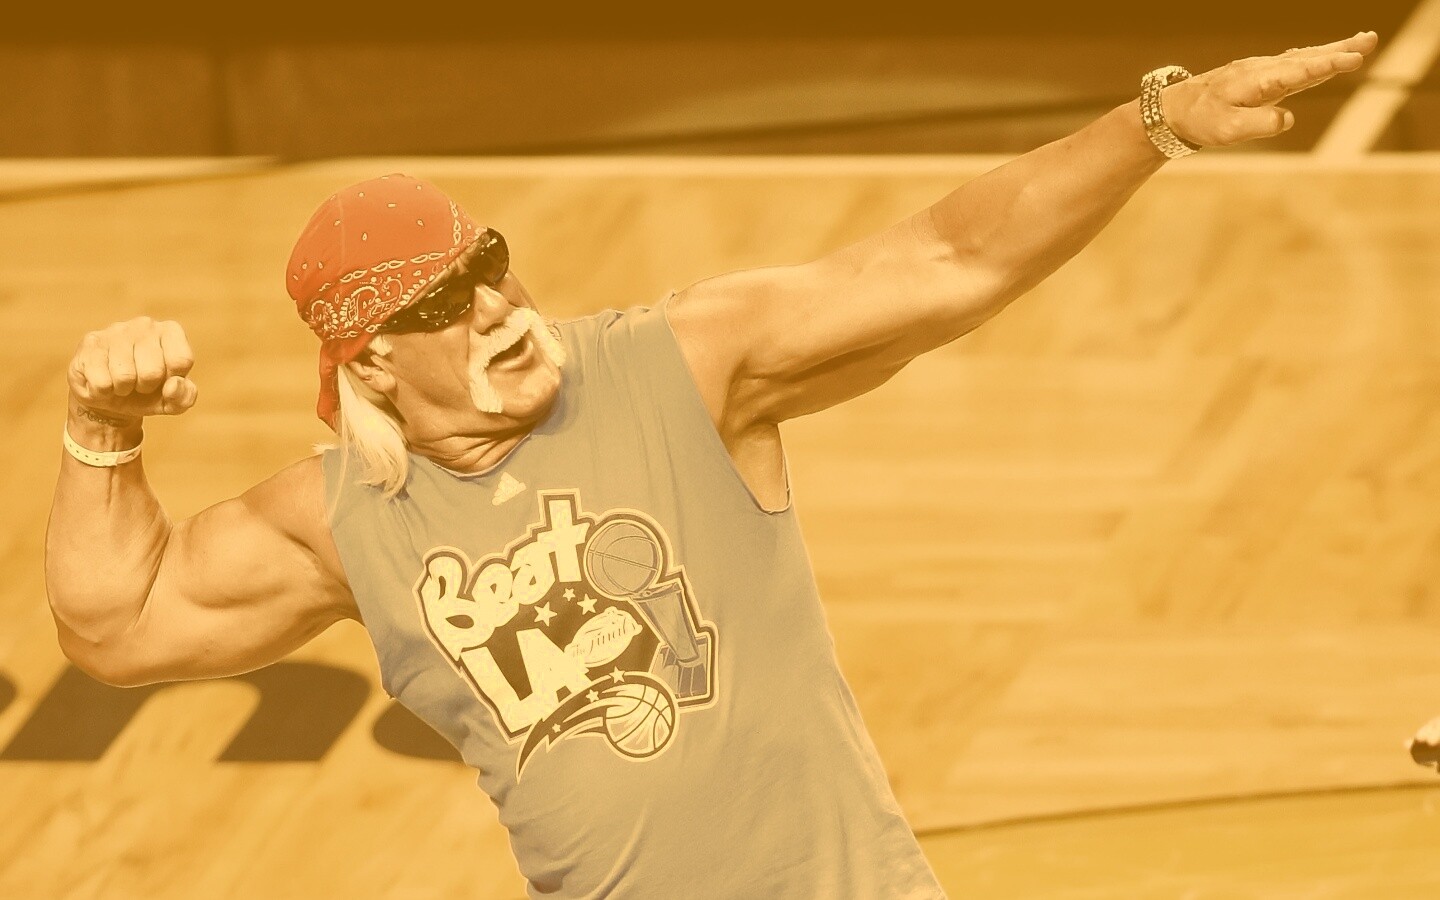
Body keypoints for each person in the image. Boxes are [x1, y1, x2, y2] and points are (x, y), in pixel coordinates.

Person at [45, 32, 1377, 899]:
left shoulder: (677, 370)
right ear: (373, 363)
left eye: (490, 265)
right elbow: (117, 626)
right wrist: (100, 432)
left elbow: (947, 258)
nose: (496, 307)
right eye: (443, 302)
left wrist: (1157, 120)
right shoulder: (348, 519)